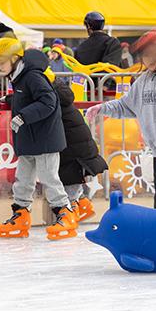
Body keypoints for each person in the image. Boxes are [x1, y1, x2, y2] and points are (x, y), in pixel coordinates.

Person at [89, 30, 156, 210]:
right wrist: (102, 108)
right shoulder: (142, 81)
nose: (149, 60)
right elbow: (126, 105)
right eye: (145, 56)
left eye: (153, 55)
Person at [0, 38, 76, 239]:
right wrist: (12, 100)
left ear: (15, 58)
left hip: (44, 139)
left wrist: (23, 116)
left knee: (48, 178)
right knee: (24, 180)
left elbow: (48, 101)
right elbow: (28, 97)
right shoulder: (19, 76)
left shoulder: (32, 75)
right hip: (29, 139)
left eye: (1, 61)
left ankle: (65, 214)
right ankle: (21, 215)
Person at [54, 77, 107, 224]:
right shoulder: (63, 98)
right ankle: (83, 205)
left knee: (69, 177)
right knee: (71, 176)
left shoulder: (51, 99)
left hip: (72, 150)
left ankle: (71, 212)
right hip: (78, 147)